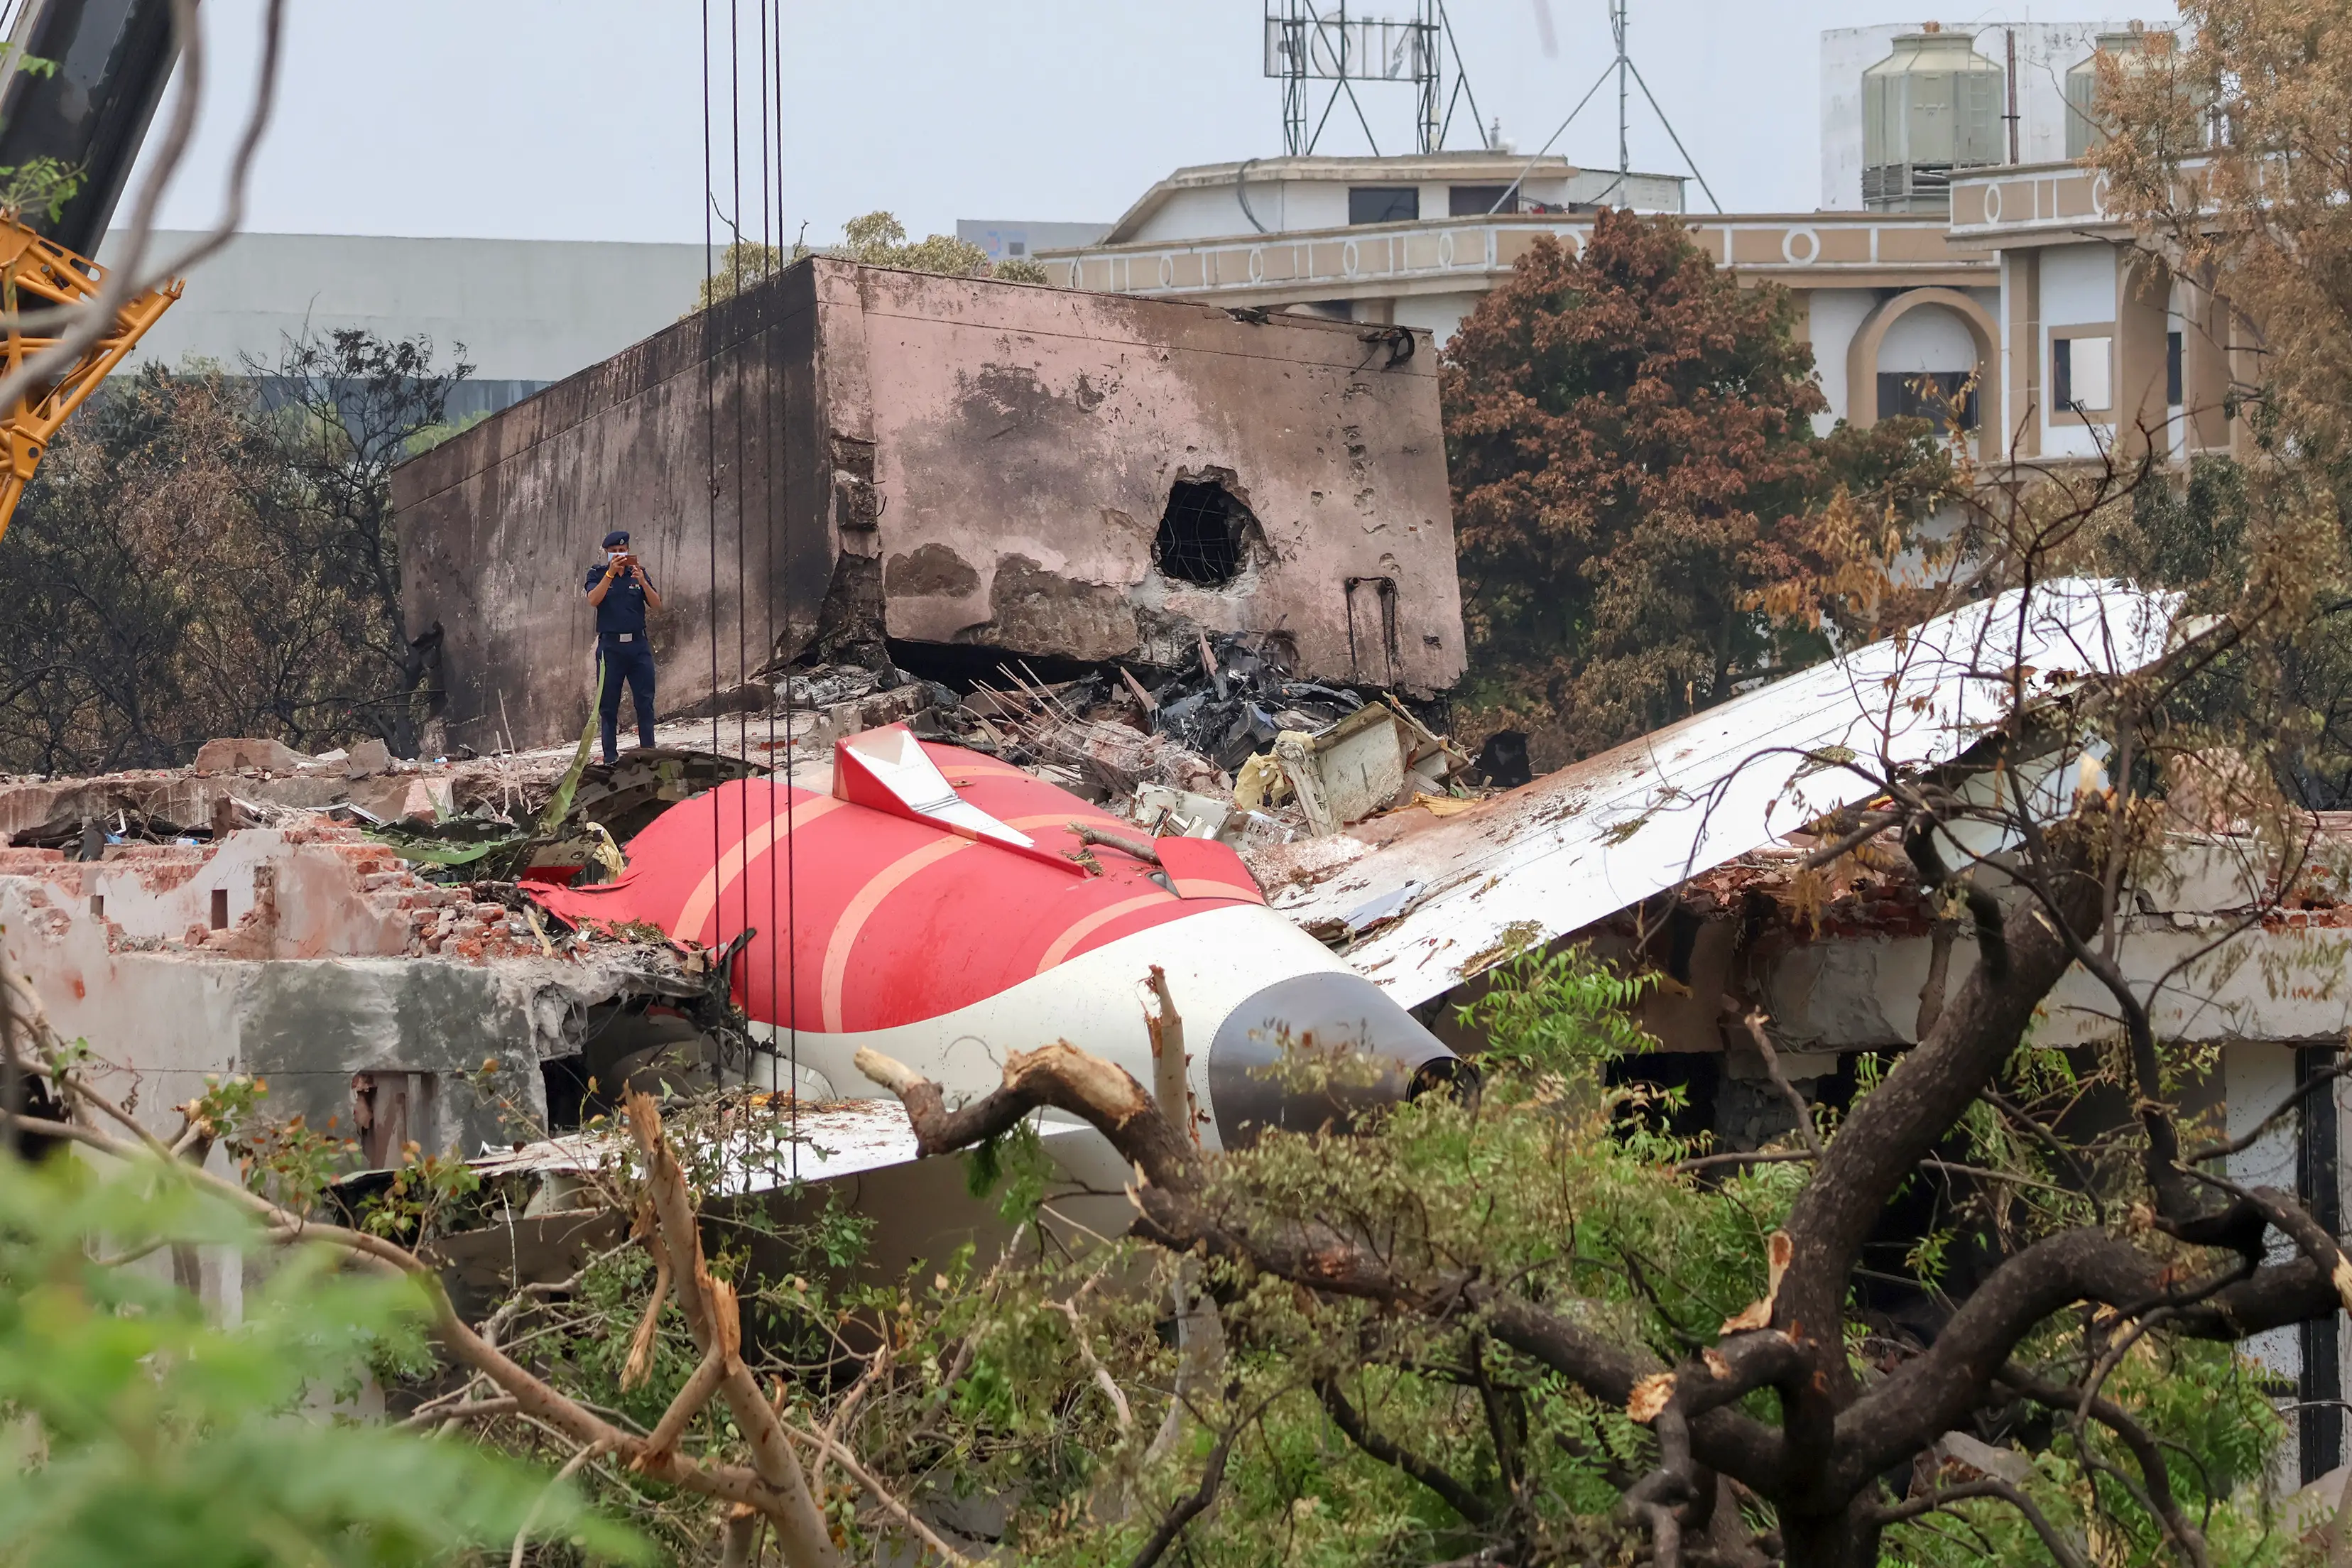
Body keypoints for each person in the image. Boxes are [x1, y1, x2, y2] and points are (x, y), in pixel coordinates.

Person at [583, 528, 663, 763]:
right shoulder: (597, 574)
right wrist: (609, 575)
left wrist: (643, 582)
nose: (619, 554)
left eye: (622, 550)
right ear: (607, 553)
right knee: (608, 706)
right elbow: (593, 600)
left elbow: (657, 605)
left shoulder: (638, 573)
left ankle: (649, 754)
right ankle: (610, 758)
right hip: (611, 649)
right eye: (614, 551)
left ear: (628, 550)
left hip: (638, 646)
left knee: (645, 702)